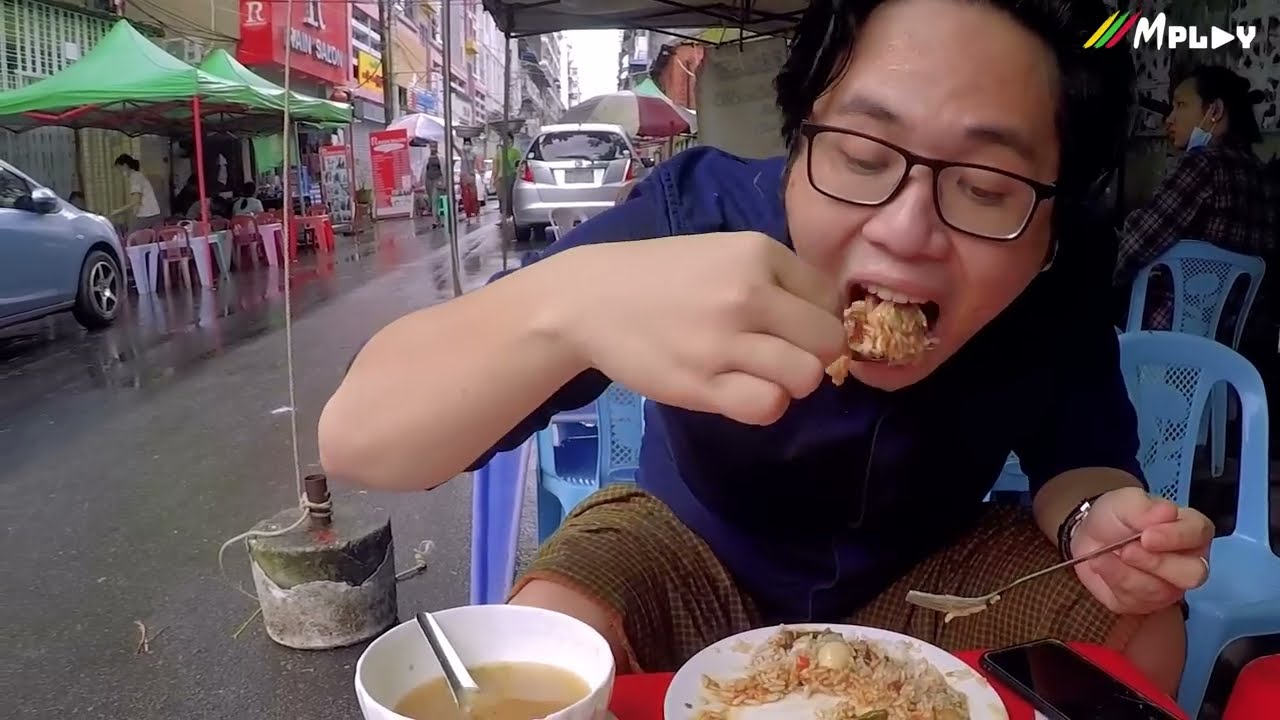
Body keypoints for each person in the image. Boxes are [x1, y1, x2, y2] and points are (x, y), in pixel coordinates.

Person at [321, 0, 1212, 695]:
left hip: (928, 575)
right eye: (862, 157)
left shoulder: (1052, 284)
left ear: (1052, 223)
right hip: (685, 544)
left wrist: (1106, 526)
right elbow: (362, 440)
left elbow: (1083, 467)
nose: (904, 231)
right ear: (795, 146)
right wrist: (570, 303)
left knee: (1144, 624)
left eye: (984, 187)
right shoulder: (694, 216)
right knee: (556, 630)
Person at [1114, 66, 1279, 347]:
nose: (1170, 118)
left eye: (1180, 105)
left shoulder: (1202, 165)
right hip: (1235, 346)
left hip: (1170, 336)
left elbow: (1136, 244)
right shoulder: (1261, 176)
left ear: (1214, 111)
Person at [110, 154, 162, 232]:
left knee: (131, 239)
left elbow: (135, 202)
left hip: (147, 215)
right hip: (152, 214)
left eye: (119, 169)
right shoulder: (138, 176)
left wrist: (118, 211)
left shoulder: (135, 178)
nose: (120, 172)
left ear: (125, 166)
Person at [494, 131, 521, 224]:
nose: (507, 141)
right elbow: (496, 165)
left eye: (509, 139)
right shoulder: (499, 152)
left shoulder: (515, 152)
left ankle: (510, 216)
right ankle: (503, 217)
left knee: (510, 197)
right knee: (501, 198)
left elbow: (517, 166)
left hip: (511, 177)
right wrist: (495, 178)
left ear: (512, 141)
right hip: (501, 178)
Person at [424, 142, 445, 228]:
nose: (433, 148)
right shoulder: (427, 158)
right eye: (431, 146)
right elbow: (424, 170)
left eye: (434, 146)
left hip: (438, 180)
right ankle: (437, 219)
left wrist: (443, 181)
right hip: (429, 181)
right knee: (432, 200)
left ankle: (436, 220)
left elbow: (444, 169)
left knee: (435, 200)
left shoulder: (441, 158)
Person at [459, 138, 480, 221]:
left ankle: (475, 211)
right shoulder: (461, 153)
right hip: (464, 176)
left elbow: (474, 163)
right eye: (465, 144)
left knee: (473, 196)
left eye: (468, 144)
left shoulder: (473, 154)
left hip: (471, 176)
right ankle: (468, 214)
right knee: (465, 197)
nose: (467, 146)